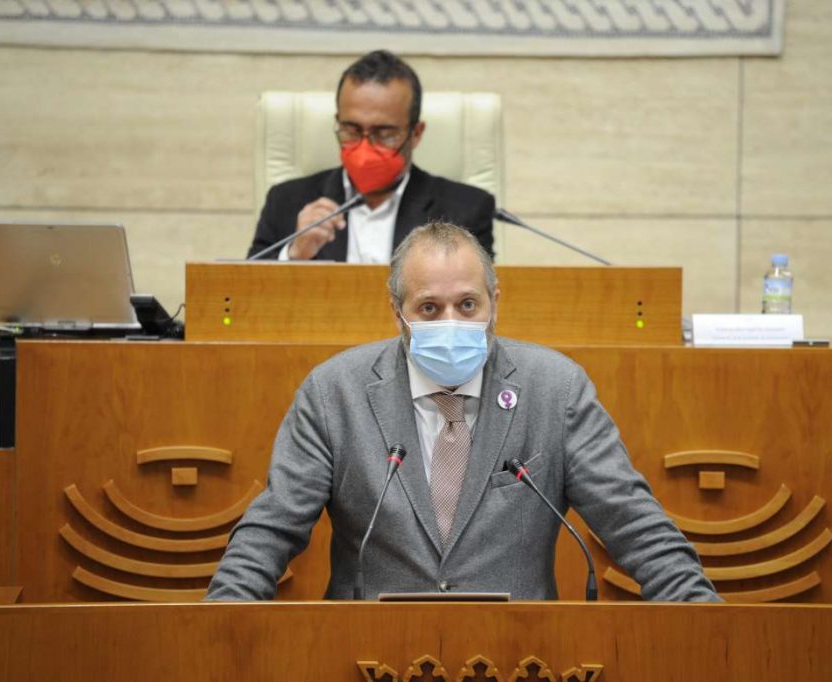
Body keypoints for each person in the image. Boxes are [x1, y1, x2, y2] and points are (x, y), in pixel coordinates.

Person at [209, 221, 718, 602]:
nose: (451, 321)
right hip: (366, 657)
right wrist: (220, 622)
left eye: (468, 305)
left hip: (522, 658)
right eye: (430, 308)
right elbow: (271, 530)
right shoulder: (334, 392)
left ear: (495, 301)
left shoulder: (555, 389)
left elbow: (635, 525)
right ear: (397, 312)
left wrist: (711, 626)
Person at [247, 50, 495, 261]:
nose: (364, 149)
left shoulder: (466, 210)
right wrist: (294, 255)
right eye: (352, 130)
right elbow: (242, 298)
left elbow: (479, 304)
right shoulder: (287, 201)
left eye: (384, 133)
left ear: (416, 133)